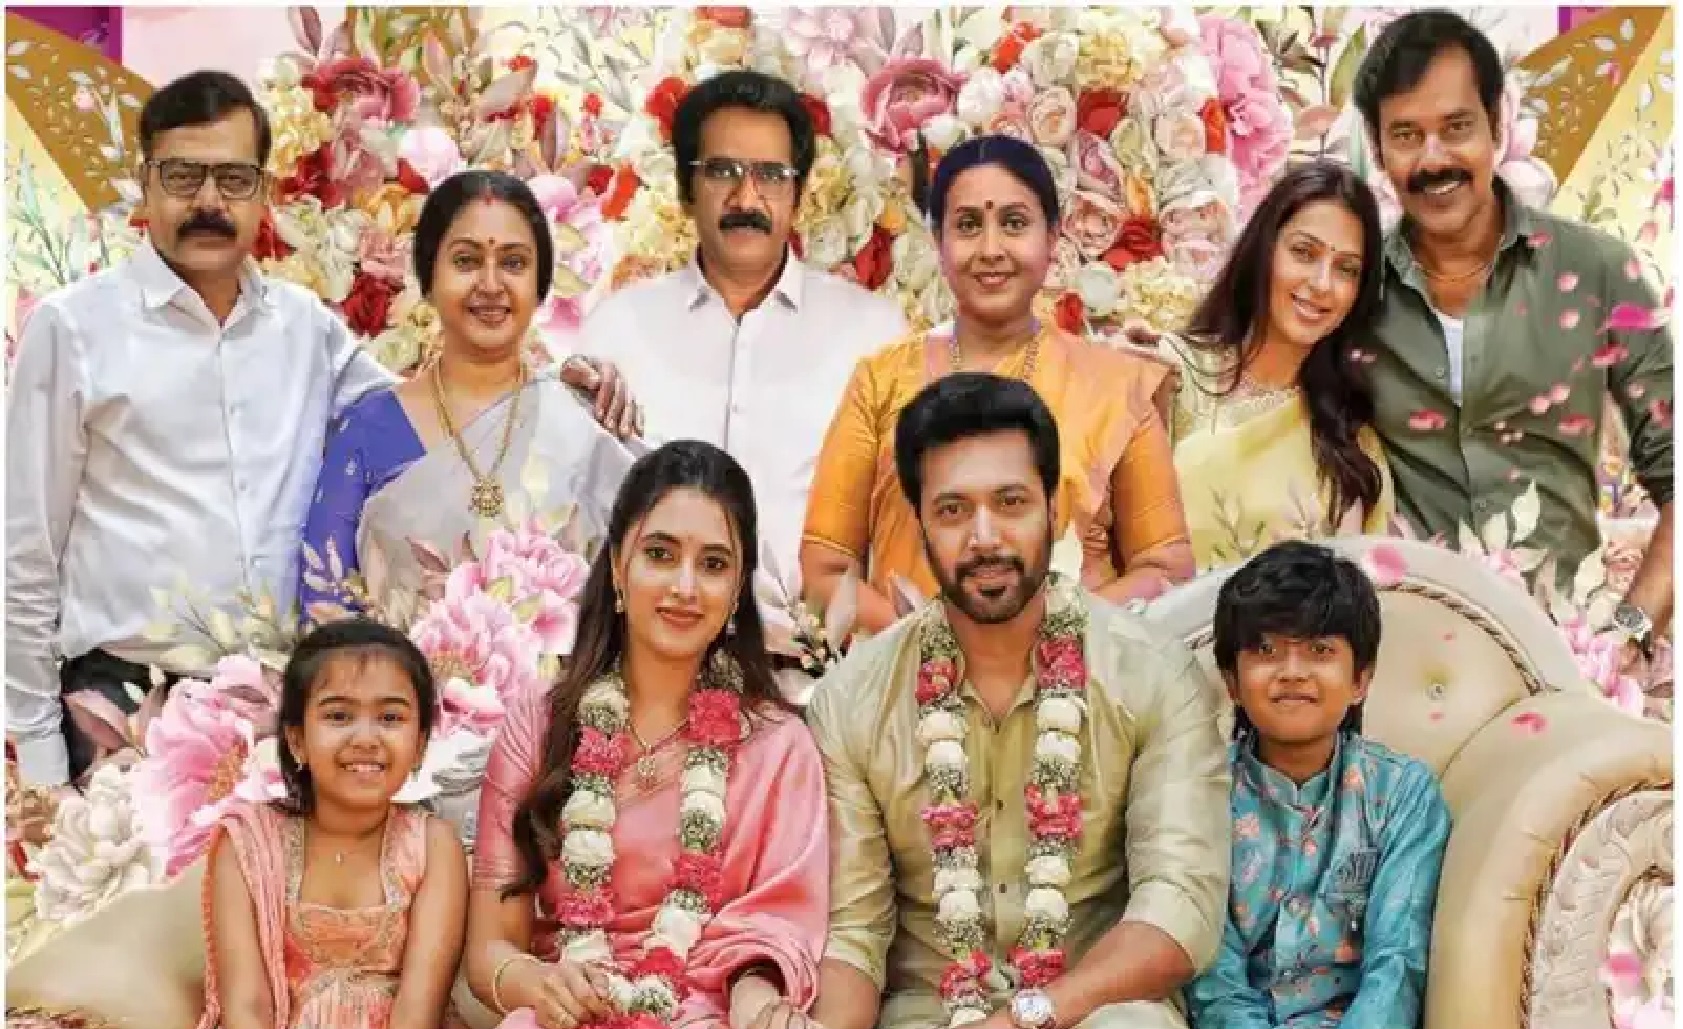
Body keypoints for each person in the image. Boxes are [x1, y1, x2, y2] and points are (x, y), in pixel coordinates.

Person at [4, 71, 639, 790]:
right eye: (183, 176)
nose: (209, 201)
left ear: (263, 192)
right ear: (145, 184)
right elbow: (24, 553)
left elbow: (441, 415)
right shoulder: (75, 329)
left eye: (233, 179)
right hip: (126, 708)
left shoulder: (304, 328)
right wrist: (40, 760)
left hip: (282, 709)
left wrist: (564, 387)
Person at [808, 373, 1230, 1029]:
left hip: (1097, 1006)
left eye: (1010, 502)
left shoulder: (1151, 673)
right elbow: (853, 935)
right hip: (929, 1011)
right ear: (919, 525)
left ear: (1054, 511)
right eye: (952, 510)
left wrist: (1027, 1015)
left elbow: (1179, 906)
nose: (984, 537)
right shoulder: (852, 701)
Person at [464, 441, 829, 1029]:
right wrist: (542, 984)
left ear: (738, 590)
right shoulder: (539, 722)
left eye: (713, 565)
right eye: (660, 554)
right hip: (567, 1009)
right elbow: (490, 949)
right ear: (617, 565)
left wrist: (757, 1001)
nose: (685, 586)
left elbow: (776, 926)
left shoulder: (778, 747)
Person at [1354, 11, 1673, 664]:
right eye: (1406, 135)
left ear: (1499, 125)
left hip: (1567, 665)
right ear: (1377, 149)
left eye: (1456, 127)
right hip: (1406, 665)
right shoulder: (1352, 291)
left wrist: (1629, 636)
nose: (1433, 159)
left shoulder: (1596, 271)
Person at [802, 135, 1192, 637]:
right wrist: (927, 647)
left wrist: (1053, 637)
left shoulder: (1115, 385)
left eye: (1014, 223)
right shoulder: (880, 381)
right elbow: (826, 567)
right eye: (968, 225)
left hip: (1078, 673)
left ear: (1053, 238)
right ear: (938, 242)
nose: (990, 250)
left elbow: (1165, 567)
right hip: (908, 672)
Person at [579, 70, 908, 650]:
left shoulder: (874, 336)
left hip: (819, 670)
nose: (746, 198)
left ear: (798, 193)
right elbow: (581, 509)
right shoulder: (618, 328)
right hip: (647, 662)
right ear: (687, 190)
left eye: (771, 175)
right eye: (722, 172)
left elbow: (903, 520)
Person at [298, 170, 643, 620]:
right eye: (466, 261)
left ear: (541, 284)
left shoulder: (579, 413)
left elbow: (642, 582)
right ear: (428, 277)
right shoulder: (371, 429)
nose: (491, 285)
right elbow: (324, 601)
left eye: (514, 263)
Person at [1186, 541, 1451, 1028]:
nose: (1292, 673)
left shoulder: (1402, 796)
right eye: (1266, 650)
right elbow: (1213, 979)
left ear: (1360, 681)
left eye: (1320, 650)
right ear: (1232, 682)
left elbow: (1397, 964)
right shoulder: (1197, 795)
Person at [199, 618, 470, 1029]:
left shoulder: (432, 846)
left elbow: (419, 1011)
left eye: (390, 718)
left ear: (419, 746)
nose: (366, 739)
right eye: (339, 716)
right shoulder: (247, 844)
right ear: (297, 740)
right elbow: (246, 1008)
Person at [1161, 162, 1395, 571]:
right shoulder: (1175, 375)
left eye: (1346, 269)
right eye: (1304, 252)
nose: (1322, 283)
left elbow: (1375, 585)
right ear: (1263, 249)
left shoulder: (1351, 439)